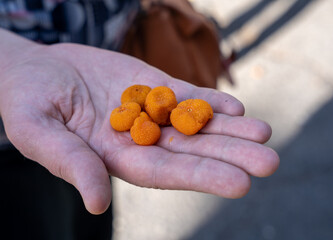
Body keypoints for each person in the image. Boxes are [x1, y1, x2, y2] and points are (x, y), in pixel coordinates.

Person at [0, 0, 279, 239]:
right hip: (12, 131)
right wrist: (13, 60)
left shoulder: (145, 108)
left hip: (113, 56)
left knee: (92, 211)